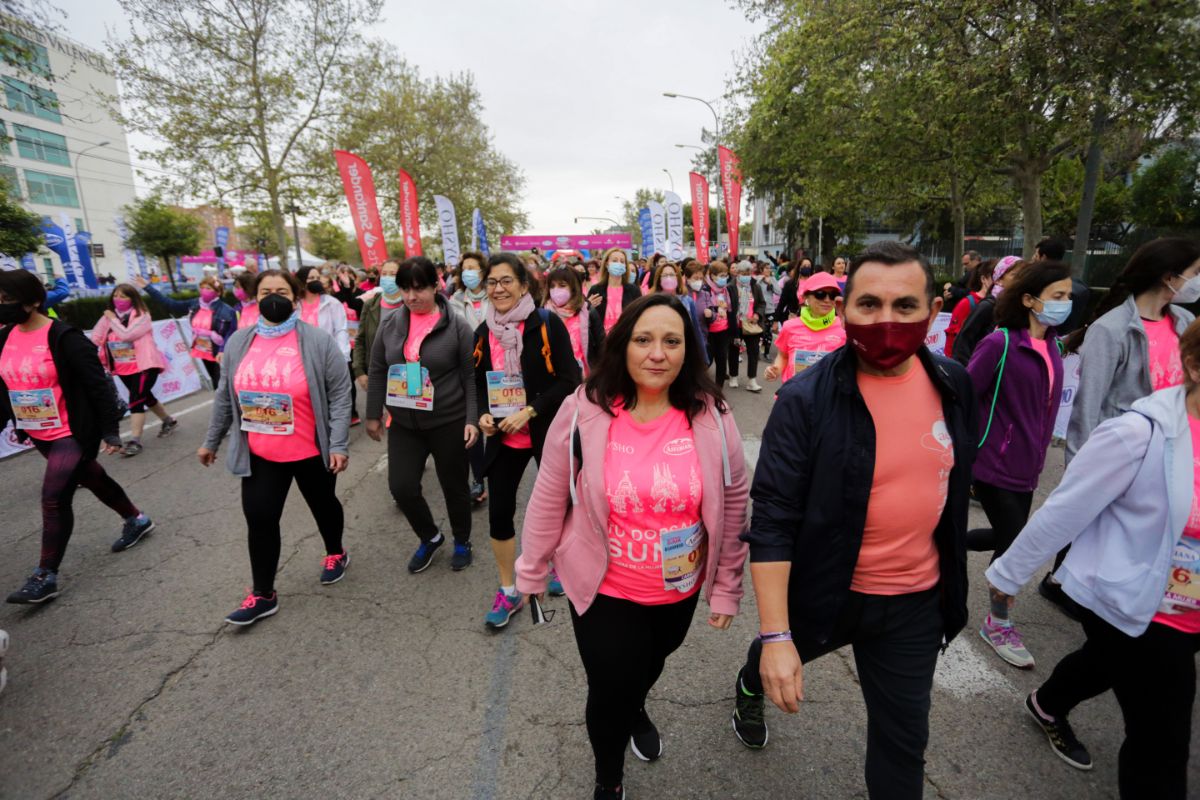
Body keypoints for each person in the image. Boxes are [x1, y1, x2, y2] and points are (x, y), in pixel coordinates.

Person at [729, 242, 975, 800]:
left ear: (932, 310)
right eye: (868, 305)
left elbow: (952, 489)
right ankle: (749, 681)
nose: (886, 321)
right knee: (772, 657)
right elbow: (772, 519)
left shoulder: (955, 384)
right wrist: (774, 637)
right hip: (827, 592)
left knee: (902, 746)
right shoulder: (804, 400)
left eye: (905, 306)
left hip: (915, 603)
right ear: (845, 311)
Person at [516, 292, 749, 800]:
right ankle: (609, 778)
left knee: (648, 665)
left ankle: (637, 701)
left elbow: (735, 500)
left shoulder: (712, 413)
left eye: (672, 341)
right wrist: (530, 570)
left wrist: (727, 584)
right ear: (623, 345)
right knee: (610, 687)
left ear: (689, 349)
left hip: (678, 586)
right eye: (644, 340)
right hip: (604, 586)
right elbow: (550, 492)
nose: (657, 353)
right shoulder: (585, 408)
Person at [985, 319, 1200, 797]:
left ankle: (1047, 702)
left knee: (1105, 661)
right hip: (1139, 603)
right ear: (1194, 364)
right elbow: (1065, 509)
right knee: (1162, 744)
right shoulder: (1139, 434)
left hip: (1188, 612)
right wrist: (1007, 578)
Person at [1041, 237, 1200, 614]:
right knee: (1095, 524)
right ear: (1170, 277)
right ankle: (1066, 582)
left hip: (1175, 451)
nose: (1196, 282)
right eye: (1194, 274)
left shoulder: (1186, 323)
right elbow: (1087, 408)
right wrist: (1082, 474)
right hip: (1124, 455)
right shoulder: (1111, 330)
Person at [197, 269, 352, 626]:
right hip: (261, 452)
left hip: (310, 449)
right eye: (266, 291)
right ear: (255, 297)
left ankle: (335, 552)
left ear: (296, 296)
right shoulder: (239, 341)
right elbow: (225, 396)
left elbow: (341, 394)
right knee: (261, 519)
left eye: (281, 290)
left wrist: (339, 443)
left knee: (324, 506)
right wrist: (211, 440)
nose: (273, 297)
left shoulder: (316, 340)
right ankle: (263, 593)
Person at [0, 269, 155, 604]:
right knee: (92, 477)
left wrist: (110, 431)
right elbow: (5, 386)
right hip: (38, 430)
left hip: (72, 431)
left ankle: (45, 575)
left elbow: (98, 385)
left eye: (6, 299)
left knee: (54, 497)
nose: (1, 305)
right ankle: (136, 518)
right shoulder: (4, 337)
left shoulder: (64, 336)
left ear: (33, 301)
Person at [967, 262, 1071, 668]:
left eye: (1067, 296)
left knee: (1009, 535)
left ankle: (941, 543)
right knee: (1013, 542)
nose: (1067, 303)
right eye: (1058, 296)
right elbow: (965, 391)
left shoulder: (1054, 346)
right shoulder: (1001, 343)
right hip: (993, 462)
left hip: (1030, 465)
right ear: (1029, 299)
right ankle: (998, 622)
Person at [472, 253, 581, 629]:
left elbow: (570, 379)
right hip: (503, 438)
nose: (498, 289)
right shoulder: (483, 332)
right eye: (491, 282)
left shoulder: (546, 324)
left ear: (522, 284)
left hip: (544, 431)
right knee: (500, 513)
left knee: (558, 507)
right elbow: (479, 383)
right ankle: (508, 589)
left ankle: (557, 565)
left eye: (505, 281)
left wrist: (531, 411)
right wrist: (484, 415)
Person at [365, 257, 478, 574]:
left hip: (449, 420)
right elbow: (377, 370)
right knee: (401, 488)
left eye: (419, 289)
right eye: (405, 290)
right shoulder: (390, 324)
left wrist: (472, 419)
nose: (412, 297)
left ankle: (461, 540)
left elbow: (470, 376)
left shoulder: (456, 325)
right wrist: (373, 414)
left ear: (435, 286)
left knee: (454, 486)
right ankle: (430, 536)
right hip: (405, 422)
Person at [89, 284, 178, 456]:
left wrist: (113, 320)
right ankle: (169, 421)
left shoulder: (142, 315)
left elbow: (127, 335)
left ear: (133, 298)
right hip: (122, 366)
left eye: (123, 296)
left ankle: (135, 441)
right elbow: (96, 337)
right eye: (116, 295)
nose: (118, 299)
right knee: (144, 396)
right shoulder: (108, 317)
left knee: (136, 399)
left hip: (144, 365)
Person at [447, 252, 492, 503]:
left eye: (474, 268)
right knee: (472, 424)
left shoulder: (495, 296)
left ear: (483, 272)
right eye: (465, 268)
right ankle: (478, 480)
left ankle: (495, 473)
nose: (469, 272)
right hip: (466, 369)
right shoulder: (454, 300)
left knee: (494, 424)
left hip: (495, 369)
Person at [139, 274, 236, 388]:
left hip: (219, 353)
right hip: (202, 351)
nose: (204, 291)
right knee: (216, 386)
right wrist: (148, 288)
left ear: (218, 292)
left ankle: (229, 404)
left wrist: (222, 350)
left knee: (223, 385)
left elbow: (231, 333)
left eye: (208, 288)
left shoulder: (227, 310)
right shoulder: (195, 303)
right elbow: (170, 304)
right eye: (202, 287)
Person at [764, 271, 845, 384]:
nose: (827, 300)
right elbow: (783, 356)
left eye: (832, 295)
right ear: (807, 297)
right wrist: (775, 370)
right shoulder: (790, 327)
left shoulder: (844, 328)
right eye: (820, 294)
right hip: (793, 397)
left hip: (827, 398)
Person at [296, 265, 353, 422]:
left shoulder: (331, 303)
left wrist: (343, 355)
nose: (315, 281)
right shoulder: (295, 305)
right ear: (301, 282)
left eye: (317, 277)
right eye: (310, 278)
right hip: (302, 359)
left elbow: (341, 329)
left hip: (327, 357)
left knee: (330, 396)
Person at [951, 256, 1026, 365]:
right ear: (999, 279)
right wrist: (972, 373)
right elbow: (962, 343)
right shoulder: (988, 306)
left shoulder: (1021, 308)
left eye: (1024, 275)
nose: (1020, 279)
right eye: (1015, 275)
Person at [544, 266, 604, 377]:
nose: (556, 290)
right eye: (552, 286)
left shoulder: (588, 311)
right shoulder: (544, 314)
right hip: (555, 378)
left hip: (585, 377)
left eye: (562, 285)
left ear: (573, 288)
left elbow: (602, 344)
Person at [943, 259, 995, 357]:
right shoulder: (967, 303)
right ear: (984, 279)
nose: (999, 282)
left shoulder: (1004, 304)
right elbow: (952, 341)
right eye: (995, 277)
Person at [648, 260, 705, 348]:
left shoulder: (687, 301)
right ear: (659, 279)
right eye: (665, 275)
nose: (669, 278)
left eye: (671, 275)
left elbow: (696, 330)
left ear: (677, 277)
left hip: (684, 346)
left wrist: (703, 356)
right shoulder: (653, 301)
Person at [731, 260, 766, 392]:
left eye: (748, 273)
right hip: (737, 325)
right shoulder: (731, 286)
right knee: (734, 350)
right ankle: (733, 376)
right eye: (743, 273)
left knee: (753, 352)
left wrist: (757, 315)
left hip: (752, 325)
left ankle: (752, 380)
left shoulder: (755, 287)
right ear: (737, 273)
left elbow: (761, 303)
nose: (745, 275)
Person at [586, 248, 640, 333]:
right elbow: (586, 316)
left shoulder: (633, 290)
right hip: (601, 341)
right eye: (615, 261)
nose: (619, 264)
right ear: (607, 264)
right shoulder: (596, 289)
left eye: (622, 261)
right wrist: (588, 306)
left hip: (625, 340)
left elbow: (640, 315)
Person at [703, 259, 737, 386]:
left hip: (724, 330)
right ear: (712, 276)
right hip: (709, 331)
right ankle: (698, 385)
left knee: (722, 360)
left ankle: (718, 389)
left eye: (726, 275)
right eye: (722, 275)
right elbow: (703, 309)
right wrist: (716, 310)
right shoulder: (705, 290)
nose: (725, 278)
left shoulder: (726, 290)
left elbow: (731, 310)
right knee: (707, 360)